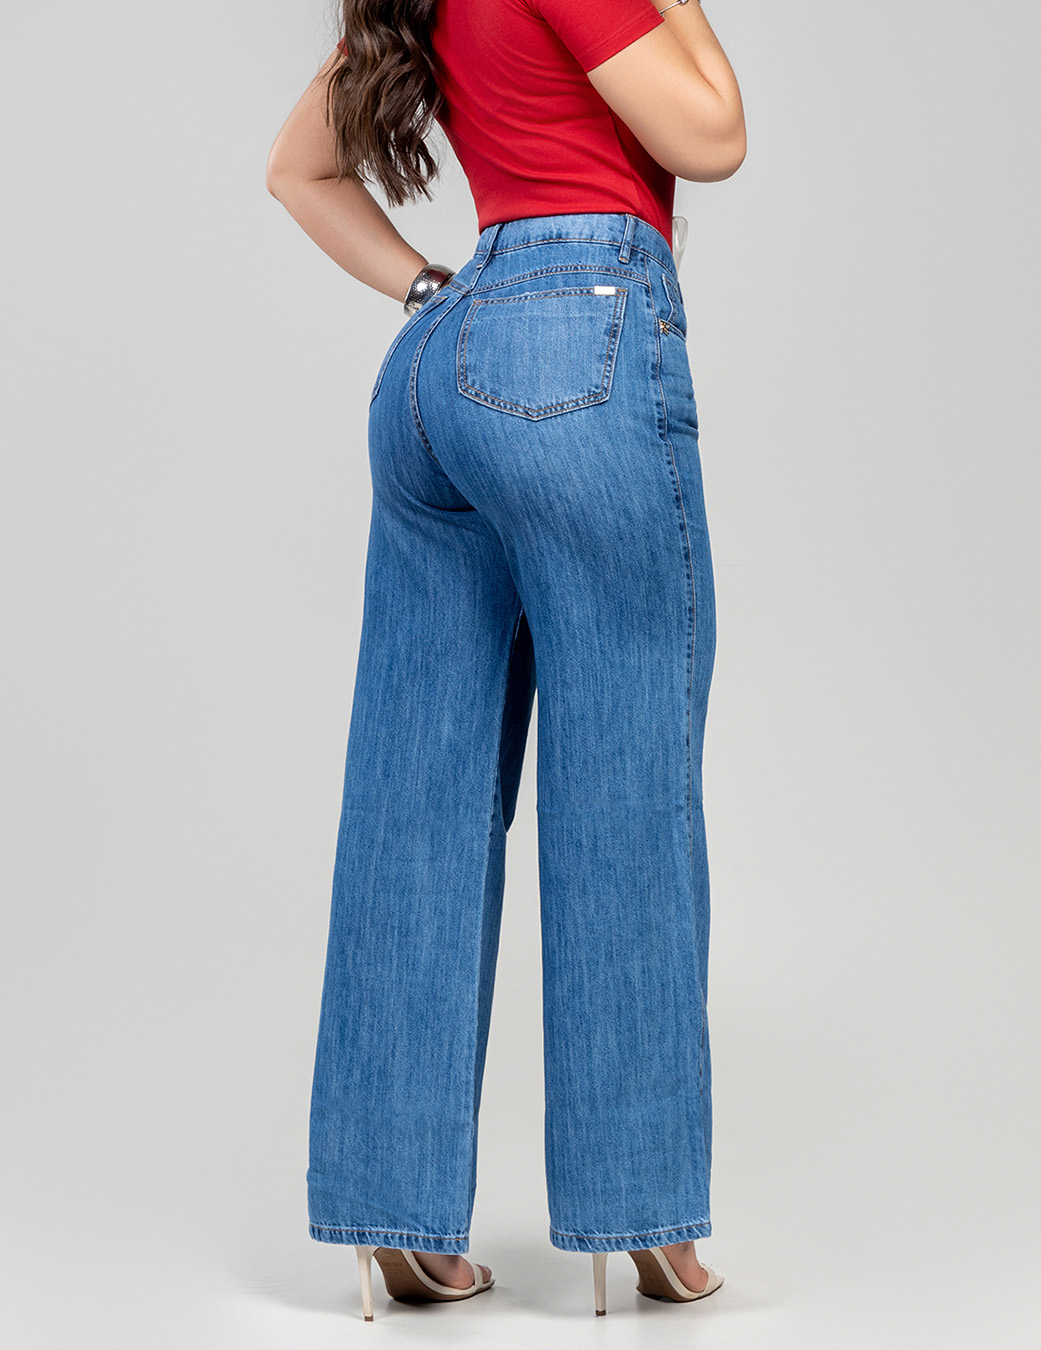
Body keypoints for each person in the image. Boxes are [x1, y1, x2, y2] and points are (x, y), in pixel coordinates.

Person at [266, 0, 746, 1320]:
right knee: (626, 781)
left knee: (415, 795)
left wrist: (439, 290)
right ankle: (642, 1217)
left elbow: (296, 172)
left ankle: (391, 1215)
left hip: (440, 366)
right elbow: (713, 134)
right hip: (580, 345)